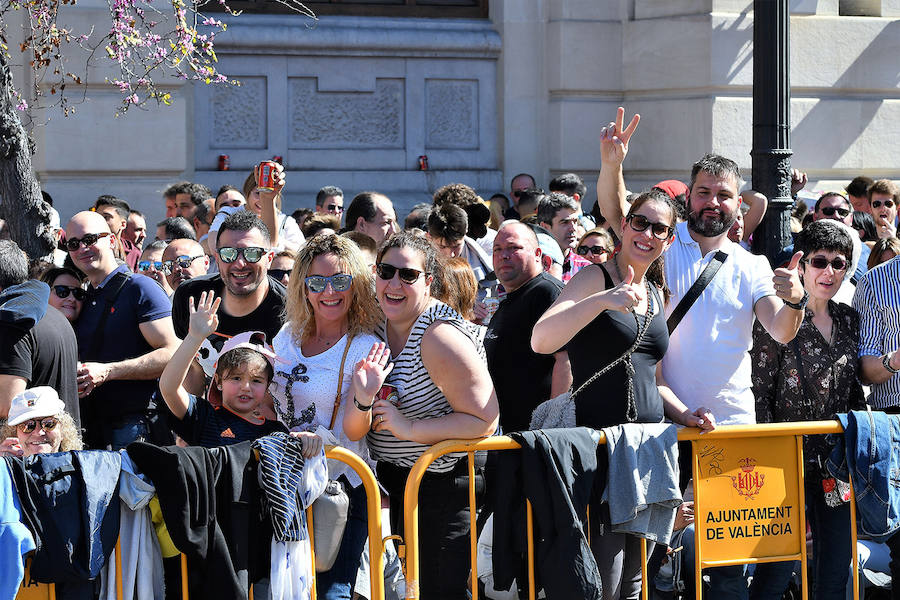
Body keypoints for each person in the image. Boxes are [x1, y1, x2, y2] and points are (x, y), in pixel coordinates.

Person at [595, 108, 806, 600]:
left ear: (739, 204)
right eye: (704, 192)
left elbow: (780, 329)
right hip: (659, 426)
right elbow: (616, 214)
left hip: (729, 432)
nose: (713, 202)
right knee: (653, 562)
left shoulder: (753, 265)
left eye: (723, 194)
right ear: (689, 197)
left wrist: (796, 298)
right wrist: (612, 164)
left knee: (726, 568)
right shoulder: (664, 246)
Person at [532, 189, 714, 600]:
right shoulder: (595, 277)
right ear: (625, 224)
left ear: (669, 240)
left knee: (636, 582)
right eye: (640, 222)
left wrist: (686, 414)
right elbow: (541, 340)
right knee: (604, 581)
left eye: (659, 228)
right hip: (597, 450)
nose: (647, 233)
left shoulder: (655, 291)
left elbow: (656, 379)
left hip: (648, 451)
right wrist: (602, 302)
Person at [344, 231, 498, 600]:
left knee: (439, 592)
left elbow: (484, 421)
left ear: (429, 282)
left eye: (408, 275)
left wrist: (408, 427)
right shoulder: (377, 324)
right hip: (402, 485)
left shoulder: (439, 336)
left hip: (447, 488)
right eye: (386, 271)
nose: (394, 283)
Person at [750, 220, 864, 600]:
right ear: (801, 266)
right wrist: (768, 459)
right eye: (819, 261)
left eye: (839, 263)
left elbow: (851, 392)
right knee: (777, 571)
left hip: (836, 464)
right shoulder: (778, 319)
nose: (828, 272)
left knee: (835, 568)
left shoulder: (849, 319)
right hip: (786, 462)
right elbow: (761, 392)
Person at [268, 234, 382, 599]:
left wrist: (364, 396)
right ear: (303, 287)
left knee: (333, 591)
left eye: (340, 281)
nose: (328, 291)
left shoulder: (365, 346)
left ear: (357, 285)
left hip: (341, 486)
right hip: (286, 483)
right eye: (317, 282)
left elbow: (354, 427)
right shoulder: (286, 336)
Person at [66, 211, 179, 449]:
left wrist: (108, 371)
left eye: (89, 239)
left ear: (111, 240)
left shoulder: (140, 287)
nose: (82, 249)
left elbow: (173, 354)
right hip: (91, 428)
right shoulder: (84, 297)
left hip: (136, 427)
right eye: (73, 244)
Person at [172, 210, 286, 397]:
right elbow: (192, 368)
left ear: (269, 258)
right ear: (217, 258)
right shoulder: (190, 296)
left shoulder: (290, 310)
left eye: (252, 253)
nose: (239, 263)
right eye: (228, 254)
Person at [159, 293, 290, 447]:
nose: (246, 387)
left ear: (267, 387)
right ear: (218, 381)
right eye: (236, 378)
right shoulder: (202, 417)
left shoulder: (276, 433)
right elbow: (169, 388)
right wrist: (194, 337)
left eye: (256, 380)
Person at [486, 221, 570, 432]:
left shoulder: (547, 292)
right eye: (497, 249)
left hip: (538, 438)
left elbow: (566, 359)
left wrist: (552, 426)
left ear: (537, 254)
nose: (504, 255)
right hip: (510, 436)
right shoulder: (510, 300)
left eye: (514, 248)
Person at [0, 242, 80, 425]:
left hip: (30, 448)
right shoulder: (53, 315)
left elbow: (7, 406)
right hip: (57, 446)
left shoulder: (11, 321)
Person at [0, 387, 82, 457]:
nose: (38, 432)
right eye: (27, 426)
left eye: (49, 424)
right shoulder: (4, 472)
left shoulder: (81, 469)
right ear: (15, 434)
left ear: (63, 430)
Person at [242, 165, 304, 252]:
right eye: (258, 193)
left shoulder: (286, 221)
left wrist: (278, 239)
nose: (262, 199)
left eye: (268, 193)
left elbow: (302, 251)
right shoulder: (229, 213)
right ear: (247, 191)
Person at [537, 192, 592, 283]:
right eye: (565, 223)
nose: (573, 228)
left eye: (575, 221)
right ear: (545, 227)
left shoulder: (586, 269)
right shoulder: (530, 266)